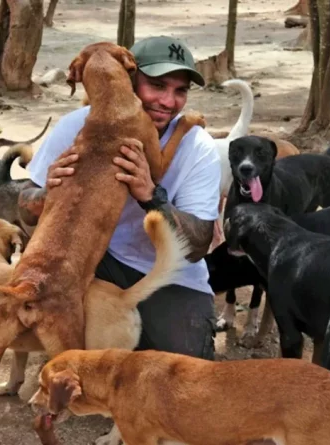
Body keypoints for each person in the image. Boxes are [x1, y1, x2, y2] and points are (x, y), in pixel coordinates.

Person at [18, 36, 221, 360]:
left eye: (180, 91)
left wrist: (151, 195)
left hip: (171, 276)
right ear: (128, 78)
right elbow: (23, 207)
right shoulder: (76, 125)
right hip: (101, 262)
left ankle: (118, 338)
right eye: (157, 85)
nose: (168, 102)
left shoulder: (198, 146)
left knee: (182, 369)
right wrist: (48, 193)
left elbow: (197, 246)